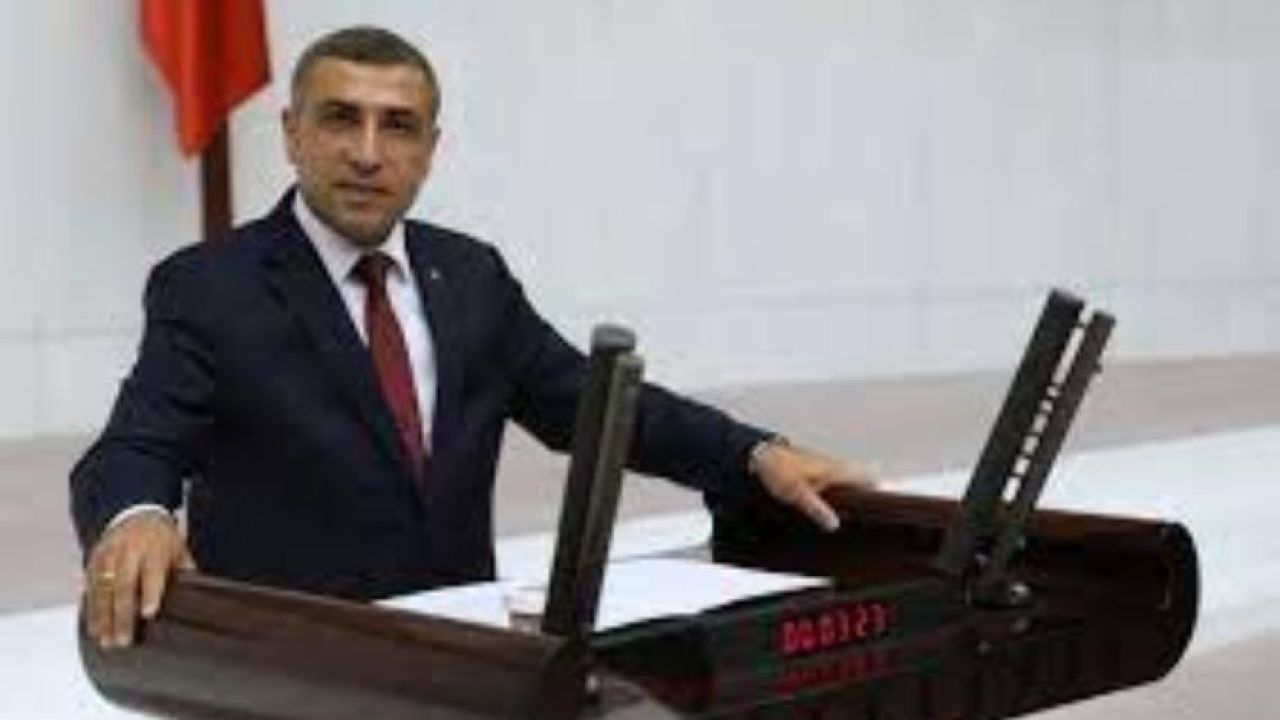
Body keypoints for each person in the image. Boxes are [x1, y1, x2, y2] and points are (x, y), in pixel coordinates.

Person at [71, 26, 874, 651]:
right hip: (298, 672)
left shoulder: (471, 276)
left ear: (430, 149)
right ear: (292, 133)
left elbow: (591, 407)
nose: (367, 153)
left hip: (462, 670)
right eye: (341, 119)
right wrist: (137, 515)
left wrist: (753, 455)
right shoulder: (210, 287)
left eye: (398, 127)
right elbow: (135, 444)